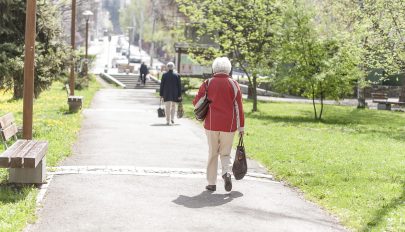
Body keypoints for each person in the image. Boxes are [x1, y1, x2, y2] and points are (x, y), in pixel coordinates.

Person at [192, 57, 244, 192]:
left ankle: (211, 183)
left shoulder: (207, 83)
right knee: (225, 153)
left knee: (213, 153)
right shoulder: (234, 84)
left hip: (212, 124)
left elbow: (197, 103)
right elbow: (239, 107)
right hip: (229, 124)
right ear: (228, 68)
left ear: (214, 68)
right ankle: (226, 173)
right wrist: (241, 127)